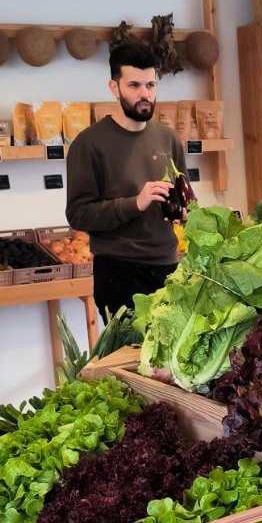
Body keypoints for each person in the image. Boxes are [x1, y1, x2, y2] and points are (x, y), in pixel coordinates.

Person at [66, 41, 186, 320]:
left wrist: (184, 211)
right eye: (134, 86)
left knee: (170, 363)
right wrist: (136, 203)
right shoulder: (89, 144)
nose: (144, 94)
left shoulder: (167, 138)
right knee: (128, 363)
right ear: (114, 87)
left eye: (150, 85)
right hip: (119, 273)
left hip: (170, 267)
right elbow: (78, 215)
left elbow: (184, 195)